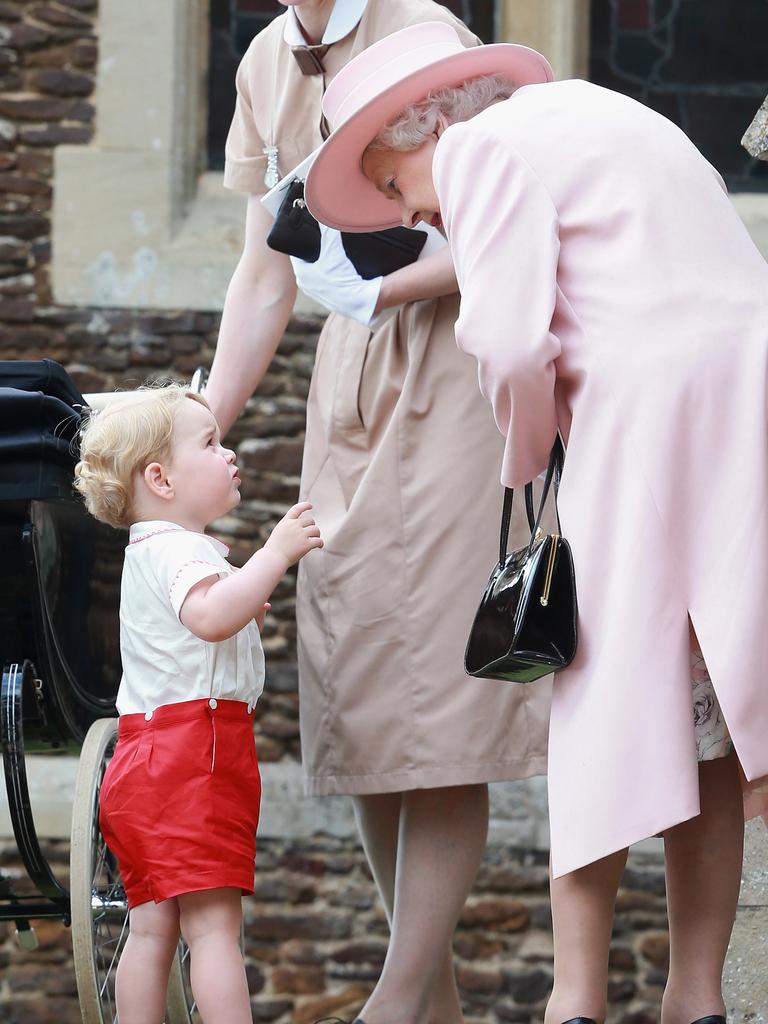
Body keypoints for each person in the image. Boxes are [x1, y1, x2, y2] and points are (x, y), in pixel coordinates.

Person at [304, 20, 768, 1024]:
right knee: (712, 712)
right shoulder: (601, 111)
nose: (405, 210)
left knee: (596, 698)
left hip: (646, 411)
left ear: (415, 125)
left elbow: (512, 344)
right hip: (747, 399)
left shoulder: (480, 148)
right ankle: (695, 1000)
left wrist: (531, 458)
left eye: (389, 184)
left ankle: (575, 1000)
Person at [205, 3, 552, 1021]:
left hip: (451, 363)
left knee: (435, 701)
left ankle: (393, 1004)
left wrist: (386, 287)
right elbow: (265, 266)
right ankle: (428, 1006)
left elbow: (507, 222)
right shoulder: (268, 59)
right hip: (347, 393)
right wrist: (202, 416)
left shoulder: (424, 29)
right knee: (363, 700)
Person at [74, 384, 322, 1024]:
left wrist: (244, 600)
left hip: (142, 755)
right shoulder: (181, 548)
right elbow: (211, 618)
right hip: (194, 758)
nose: (230, 453)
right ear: (159, 477)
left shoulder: (150, 552)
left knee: (151, 926)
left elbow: (202, 629)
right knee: (212, 930)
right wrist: (275, 555)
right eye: (211, 443)